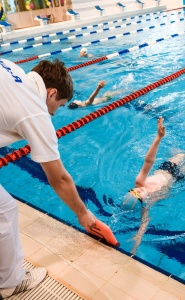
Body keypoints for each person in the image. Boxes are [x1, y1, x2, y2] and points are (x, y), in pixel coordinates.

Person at [0, 58, 117, 299]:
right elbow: (59, 179)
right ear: (51, 93)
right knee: (5, 210)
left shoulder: (11, 67)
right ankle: (11, 283)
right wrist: (83, 214)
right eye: (60, 105)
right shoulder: (35, 112)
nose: (54, 112)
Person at [121, 117, 185, 254]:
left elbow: (148, 161)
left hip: (166, 169)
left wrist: (158, 138)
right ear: (143, 201)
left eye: (134, 190)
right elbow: (144, 222)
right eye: (140, 192)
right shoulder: (148, 203)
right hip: (177, 179)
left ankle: (183, 141)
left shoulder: (139, 182)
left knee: (181, 154)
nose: (140, 188)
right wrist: (138, 239)